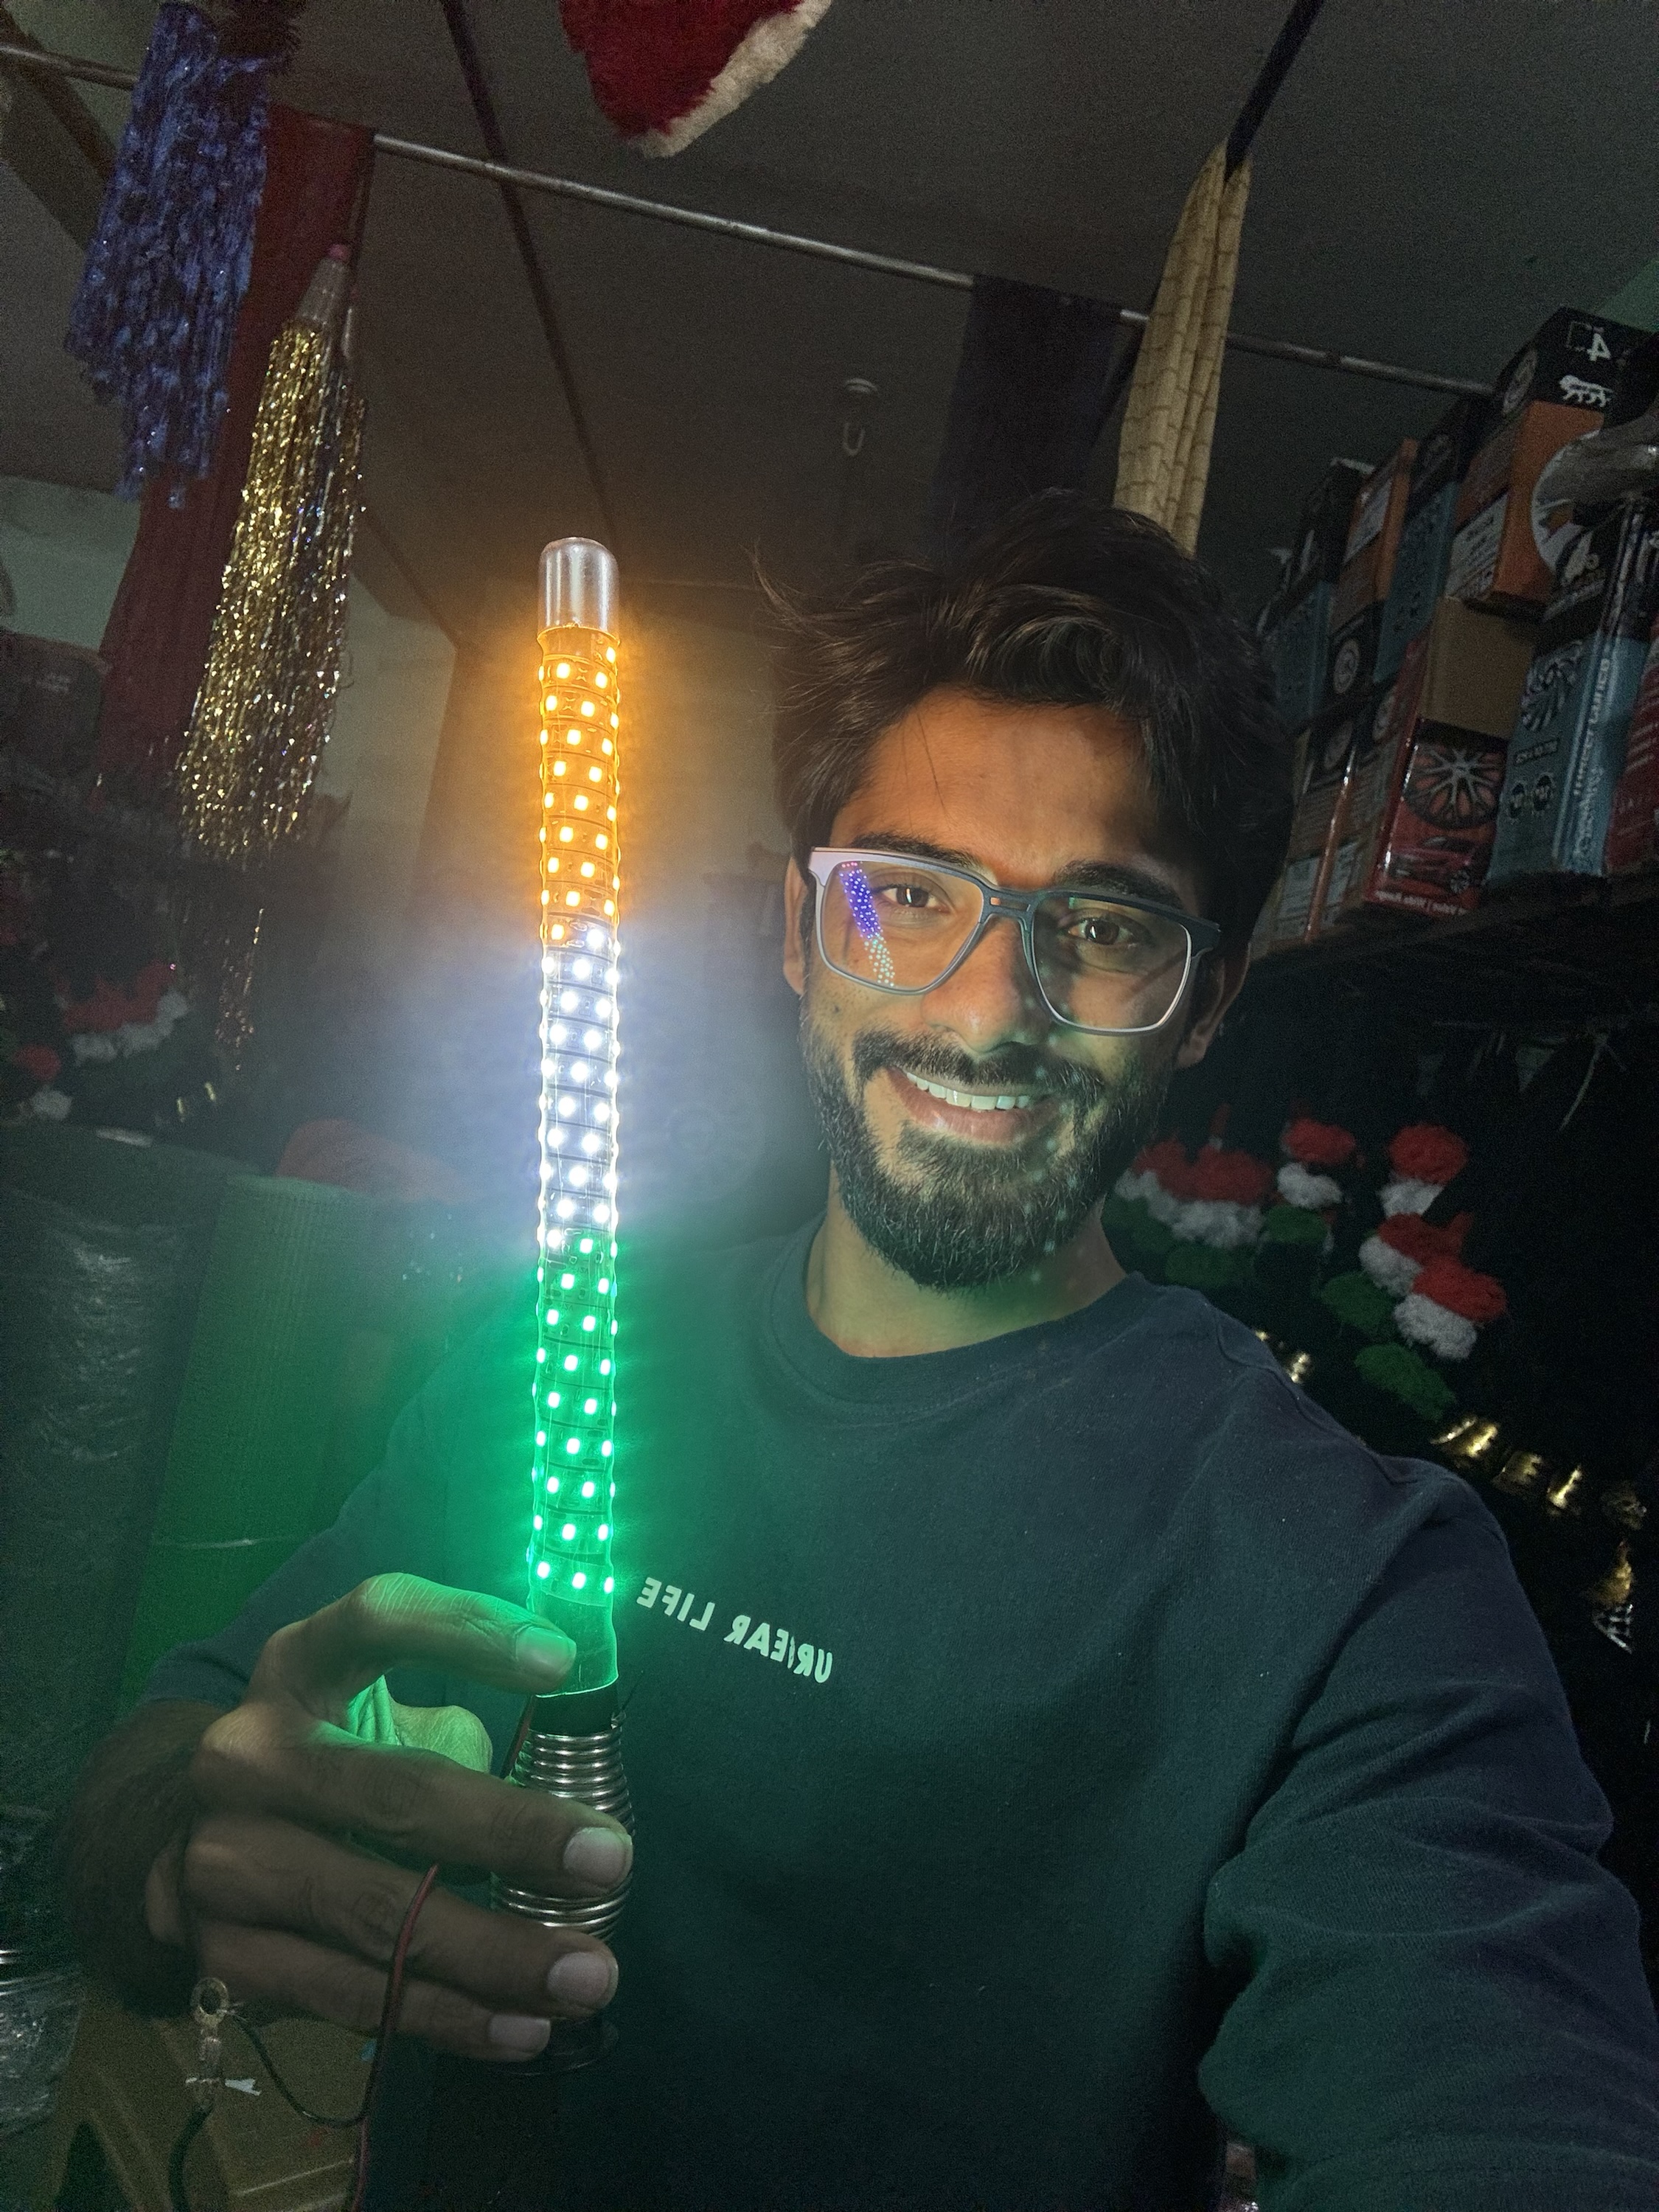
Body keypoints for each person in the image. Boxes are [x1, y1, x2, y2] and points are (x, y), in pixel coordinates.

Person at [63, 495, 1659, 2211]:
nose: (984, 1010)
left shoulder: (1348, 1581)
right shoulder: (564, 1362)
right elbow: (162, 1762)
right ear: (797, 928)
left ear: (1205, 1003)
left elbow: (1498, 2102)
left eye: (1104, 926)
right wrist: (185, 1848)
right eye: (907, 892)